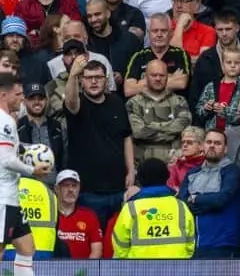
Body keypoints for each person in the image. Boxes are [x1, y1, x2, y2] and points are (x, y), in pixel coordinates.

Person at [0, 73, 50, 276]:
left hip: (2, 194)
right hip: (1, 197)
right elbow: (7, 160)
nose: (22, 98)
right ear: (4, 95)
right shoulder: (6, 121)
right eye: (18, 94)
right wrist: (33, 170)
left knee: (27, 247)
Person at [64, 59, 135, 228]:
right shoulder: (78, 103)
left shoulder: (117, 103)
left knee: (118, 243)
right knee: (94, 246)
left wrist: (131, 170)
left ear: (106, 79)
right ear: (81, 80)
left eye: (98, 77)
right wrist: (73, 74)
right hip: (89, 191)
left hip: (119, 187)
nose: (94, 81)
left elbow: (126, 137)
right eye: (88, 78)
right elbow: (71, 102)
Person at [179, 128, 240, 258]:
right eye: (209, 142)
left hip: (224, 244)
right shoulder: (192, 173)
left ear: (225, 149)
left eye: (217, 143)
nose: (212, 146)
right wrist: (207, 201)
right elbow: (183, 202)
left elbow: (221, 200)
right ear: (203, 146)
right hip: (195, 244)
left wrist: (196, 199)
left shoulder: (232, 172)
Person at [112, 158, 195, 259]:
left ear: (140, 179)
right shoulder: (181, 206)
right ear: (167, 177)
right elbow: (190, 245)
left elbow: (120, 247)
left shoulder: (130, 208)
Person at [126, 59, 192, 163]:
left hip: (173, 163)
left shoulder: (180, 101)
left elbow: (182, 127)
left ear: (167, 77)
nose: (158, 79)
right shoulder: (133, 103)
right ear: (145, 77)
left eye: (162, 75)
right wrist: (169, 129)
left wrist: (151, 126)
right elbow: (138, 132)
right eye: (154, 75)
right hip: (142, 164)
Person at [196, 48, 240, 129]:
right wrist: (206, 108)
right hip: (212, 133)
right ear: (222, 65)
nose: (232, 65)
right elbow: (199, 110)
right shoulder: (211, 86)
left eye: (237, 63)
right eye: (228, 62)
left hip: (235, 134)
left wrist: (225, 112)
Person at [55, 169, 103, 259]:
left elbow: (97, 251)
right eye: (66, 186)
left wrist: (84, 272)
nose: (70, 190)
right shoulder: (49, 215)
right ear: (57, 189)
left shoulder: (89, 216)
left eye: (74, 186)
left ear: (79, 188)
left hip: (83, 271)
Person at [167, 126, 205, 192]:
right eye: (183, 142)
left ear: (201, 146)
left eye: (189, 142)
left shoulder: (208, 164)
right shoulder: (176, 166)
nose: (185, 145)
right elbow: (170, 188)